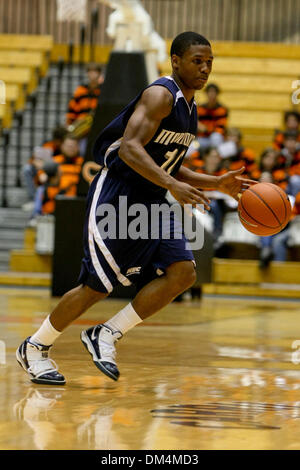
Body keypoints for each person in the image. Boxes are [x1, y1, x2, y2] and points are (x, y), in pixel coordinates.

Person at [16, 31, 254, 386]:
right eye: (197, 61)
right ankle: (35, 347)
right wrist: (173, 185)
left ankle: (107, 334)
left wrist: (216, 182)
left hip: (152, 198)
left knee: (183, 272)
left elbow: (169, 164)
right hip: (119, 193)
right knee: (97, 286)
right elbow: (130, 149)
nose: (205, 69)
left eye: (209, 63)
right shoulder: (161, 95)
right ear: (176, 60)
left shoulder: (190, 108)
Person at [22, 126, 68, 210]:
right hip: (45, 171)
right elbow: (33, 161)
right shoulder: (47, 145)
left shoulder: (68, 148)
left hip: (60, 174)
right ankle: (34, 199)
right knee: (27, 169)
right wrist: (40, 165)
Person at [66, 63, 104, 156]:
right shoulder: (80, 90)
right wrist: (69, 124)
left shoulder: (103, 90)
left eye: (94, 72)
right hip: (81, 128)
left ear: (99, 74)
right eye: (90, 72)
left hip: (97, 128)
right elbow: (72, 108)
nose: (92, 75)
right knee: (81, 152)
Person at [196, 83, 228, 149]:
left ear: (217, 94)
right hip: (201, 138)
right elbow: (195, 125)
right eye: (210, 92)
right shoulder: (200, 109)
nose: (212, 94)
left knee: (216, 137)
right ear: (206, 94)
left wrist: (206, 129)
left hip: (215, 139)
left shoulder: (222, 110)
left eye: (214, 92)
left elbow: (220, 129)